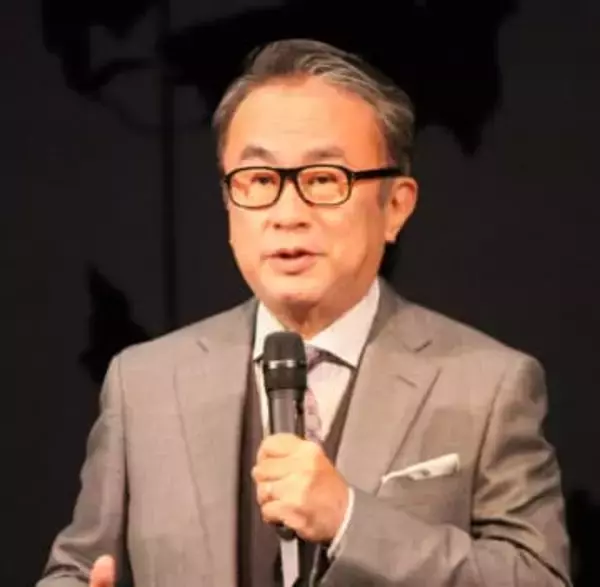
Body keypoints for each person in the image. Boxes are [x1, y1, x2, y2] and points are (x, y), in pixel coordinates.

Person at [37, 39, 571, 587]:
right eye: (259, 181)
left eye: (322, 179)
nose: (287, 213)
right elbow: (77, 567)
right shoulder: (143, 384)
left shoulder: (489, 385)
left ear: (395, 206)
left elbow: (539, 578)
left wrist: (350, 519)